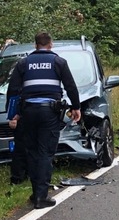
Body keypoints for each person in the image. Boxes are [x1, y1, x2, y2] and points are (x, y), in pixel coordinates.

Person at [7, 32, 82, 208]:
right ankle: (41, 197)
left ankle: (36, 194)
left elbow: (13, 91)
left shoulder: (23, 63)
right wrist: (76, 108)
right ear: (51, 45)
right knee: (45, 152)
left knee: (32, 152)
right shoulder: (58, 62)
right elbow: (71, 87)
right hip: (49, 113)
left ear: (35, 46)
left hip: (28, 112)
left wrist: (13, 115)